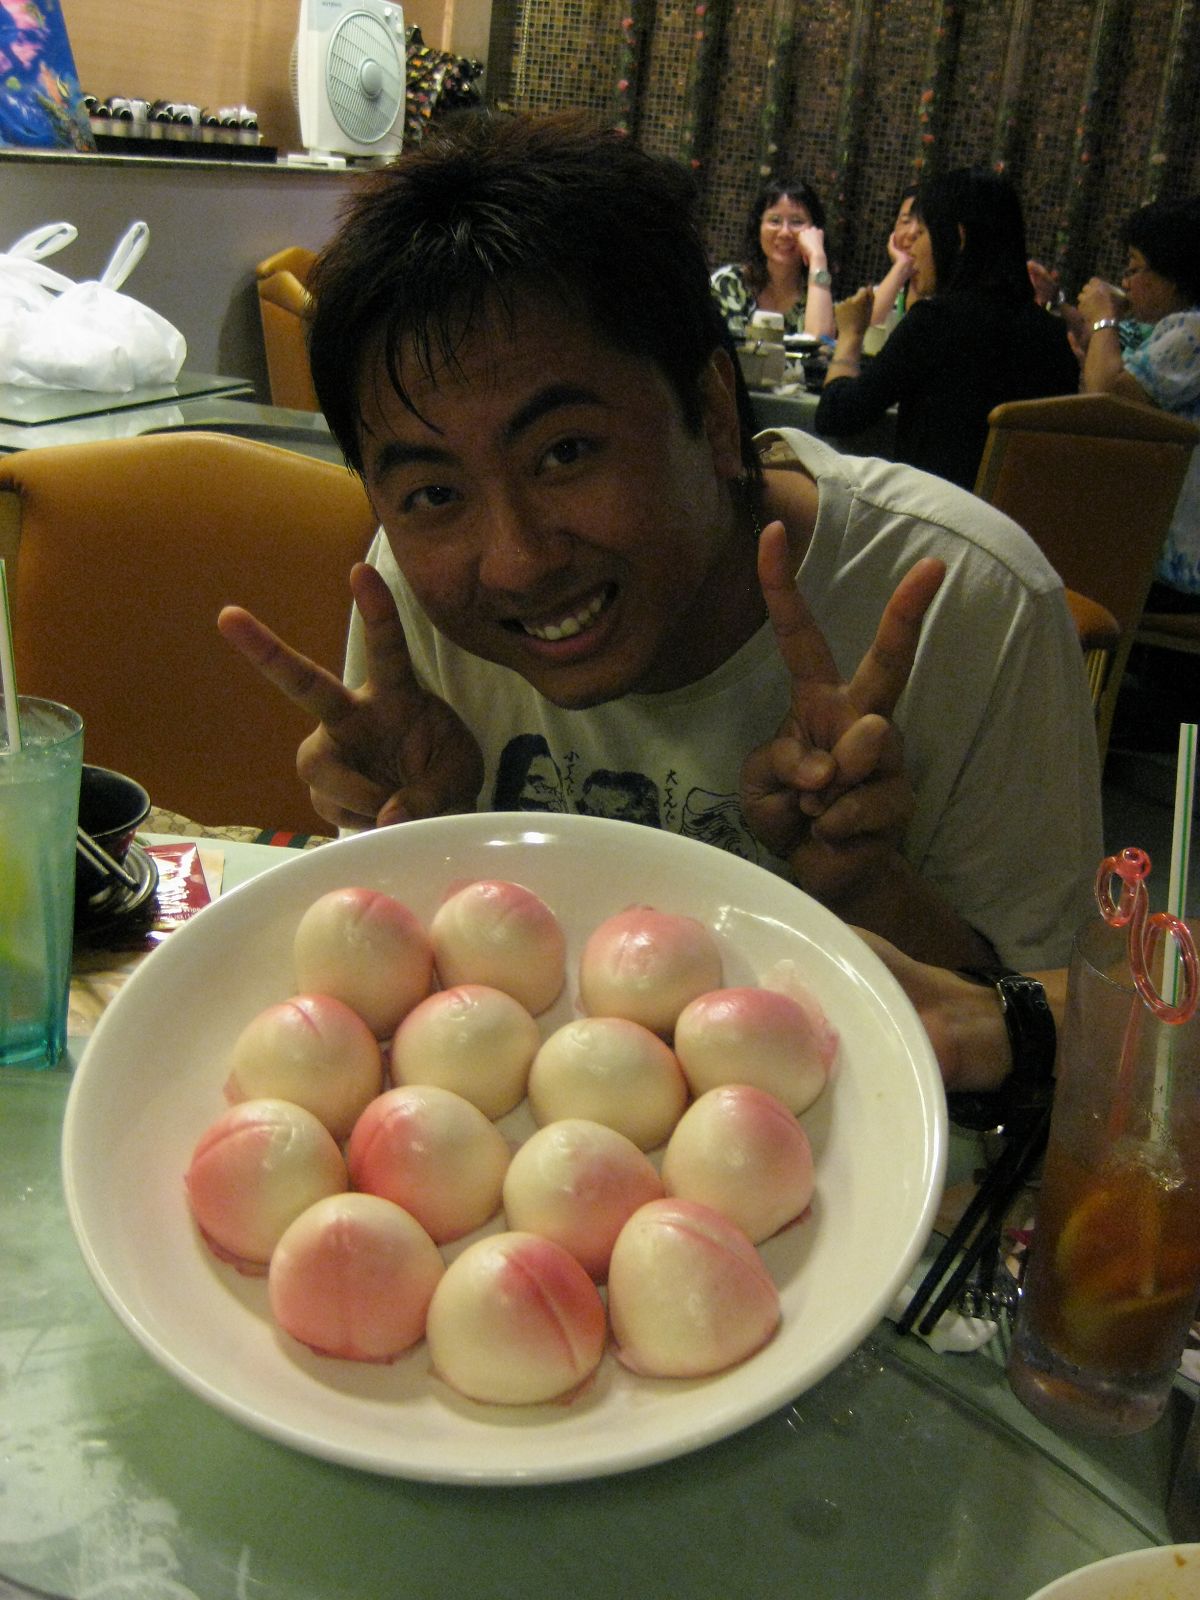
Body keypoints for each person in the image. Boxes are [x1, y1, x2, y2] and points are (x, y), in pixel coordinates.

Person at [218, 110, 1102, 973]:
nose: (517, 562)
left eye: (566, 452)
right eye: (434, 492)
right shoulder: (410, 593)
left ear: (712, 412)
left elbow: (1054, 1038)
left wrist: (869, 885)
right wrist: (422, 840)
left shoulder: (971, 603)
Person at [814, 166, 1080, 489]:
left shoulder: (934, 322)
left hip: (933, 513)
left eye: (924, 232)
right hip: (1016, 517)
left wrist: (851, 335)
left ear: (959, 237)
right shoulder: (1053, 336)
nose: (913, 247)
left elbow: (836, 416)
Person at [1076, 195, 1200, 605]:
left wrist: (1103, 317)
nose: (1126, 283)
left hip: (1173, 572)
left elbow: (1107, 398)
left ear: (1174, 275)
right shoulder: (1170, 330)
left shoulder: (1192, 331)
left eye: (1134, 268)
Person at [710, 177, 836, 342]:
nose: (785, 232)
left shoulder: (817, 295)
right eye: (775, 221)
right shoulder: (729, 283)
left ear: (814, 232)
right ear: (758, 228)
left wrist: (818, 258)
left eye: (797, 222)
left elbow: (821, 342)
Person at [867, 185, 919, 338]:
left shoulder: (948, 302)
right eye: (906, 221)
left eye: (924, 224)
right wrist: (901, 267)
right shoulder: (887, 291)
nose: (912, 232)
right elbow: (863, 333)